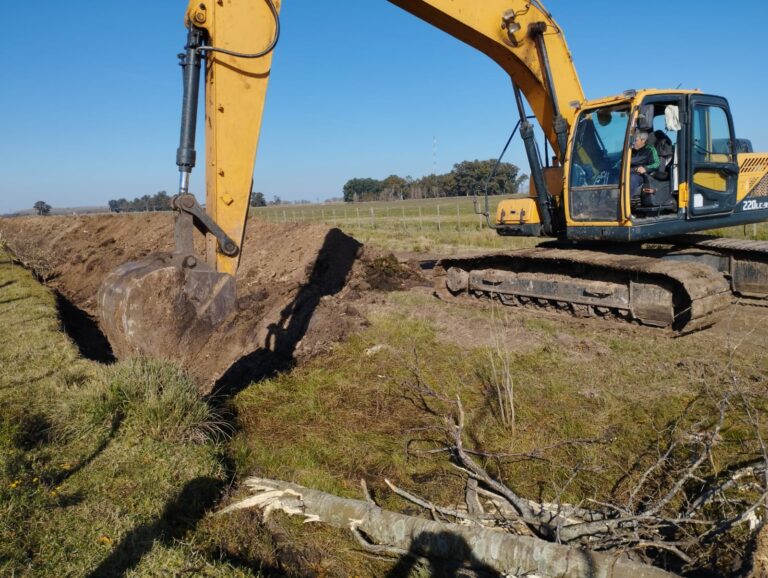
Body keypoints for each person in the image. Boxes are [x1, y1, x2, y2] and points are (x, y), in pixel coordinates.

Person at [629, 130, 659, 207]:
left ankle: (625, 204)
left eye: (636, 140)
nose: (633, 143)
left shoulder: (650, 150)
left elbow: (656, 163)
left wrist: (645, 168)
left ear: (643, 140)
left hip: (639, 175)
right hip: (626, 172)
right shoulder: (630, 150)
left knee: (632, 179)